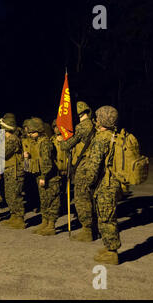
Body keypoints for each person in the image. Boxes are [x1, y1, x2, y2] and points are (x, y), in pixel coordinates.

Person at [84, 105, 121, 265]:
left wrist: (88, 182)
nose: (96, 120)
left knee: (106, 218)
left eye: (98, 117)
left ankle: (112, 252)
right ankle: (108, 247)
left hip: (105, 185)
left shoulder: (101, 138)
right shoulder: (115, 134)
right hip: (113, 182)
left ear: (103, 120)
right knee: (108, 215)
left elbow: (94, 165)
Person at [57, 101, 96, 241]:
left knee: (81, 198)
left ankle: (87, 231)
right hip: (93, 165)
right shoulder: (95, 125)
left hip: (83, 166)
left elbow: (68, 145)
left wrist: (61, 140)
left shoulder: (82, 127)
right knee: (91, 196)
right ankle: (93, 227)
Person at [26, 117, 62, 235]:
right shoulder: (37, 142)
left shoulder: (45, 143)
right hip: (42, 176)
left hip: (50, 177)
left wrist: (43, 176)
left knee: (52, 201)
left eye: (32, 132)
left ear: (39, 130)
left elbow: (47, 162)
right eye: (29, 132)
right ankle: (44, 222)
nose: (30, 134)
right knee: (44, 201)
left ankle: (51, 225)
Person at [0, 115, 26, 228]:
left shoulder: (13, 139)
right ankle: (13, 216)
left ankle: (19, 218)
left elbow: (2, 153)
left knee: (15, 194)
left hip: (15, 172)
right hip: (9, 170)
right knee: (9, 194)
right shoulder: (7, 139)